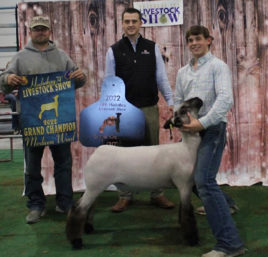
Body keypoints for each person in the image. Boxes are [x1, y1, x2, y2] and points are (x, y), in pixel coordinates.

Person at [0, 16, 87, 224]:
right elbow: (4, 87)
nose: (40, 32)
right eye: (36, 29)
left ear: (50, 32)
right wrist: (7, 79)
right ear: (30, 32)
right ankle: (36, 204)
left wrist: (80, 76)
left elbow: (77, 82)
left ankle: (64, 202)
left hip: (60, 123)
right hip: (32, 123)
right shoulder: (20, 58)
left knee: (63, 164)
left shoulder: (62, 56)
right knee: (32, 166)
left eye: (44, 29)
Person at [174, 25, 246, 257]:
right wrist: (181, 122)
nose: (194, 43)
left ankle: (229, 244)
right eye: (190, 40)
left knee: (203, 181)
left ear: (209, 40)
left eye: (198, 39)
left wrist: (202, 123)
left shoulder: (218, 67)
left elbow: (225, 100)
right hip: (191, 133)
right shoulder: (183, 72)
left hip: (212, 129)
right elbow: (178, 100)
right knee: (193, 178)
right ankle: (227, 204)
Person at [105, 7, 175, 212]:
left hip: (149, 108)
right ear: (122, 23)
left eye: (134, 21)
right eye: (127, 21)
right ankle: (125, 195)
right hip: (124, 111)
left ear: (140, 23)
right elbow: (110, 81)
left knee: (154, 154)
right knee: (124, 155)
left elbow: (161, 78)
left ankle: (157, 194)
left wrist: (171, 101)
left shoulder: (152, 47)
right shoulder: (114, 50)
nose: (131, 25)